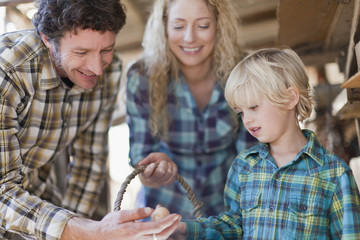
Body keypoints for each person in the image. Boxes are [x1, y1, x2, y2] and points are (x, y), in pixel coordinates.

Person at [0, 0, 180, 240]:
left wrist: (83, 229)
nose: (97, 69)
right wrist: (90, 230)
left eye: (106, 50)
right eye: (81, 52)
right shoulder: (8, 71)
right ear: (47, 39)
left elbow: (89, 161)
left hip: (40, 202)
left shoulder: (112, 69)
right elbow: (2, 191)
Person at [172, 48, 360, 239]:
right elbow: (233, 225)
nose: (247, 120)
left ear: (290, 98)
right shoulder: (243, 166)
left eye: (253, 107)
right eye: (241, 112)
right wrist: (185, 229)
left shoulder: (334, 174)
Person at [126, 0, 256, 219]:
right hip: (163, 214)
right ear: (164, 27)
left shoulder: (244, 73)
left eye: (203, 26)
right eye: (178, 26)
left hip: (228, 213)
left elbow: (251, 158)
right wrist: (152, 171)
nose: (189, 38)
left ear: (219, 25)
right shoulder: (142, 79)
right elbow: (141, 159)